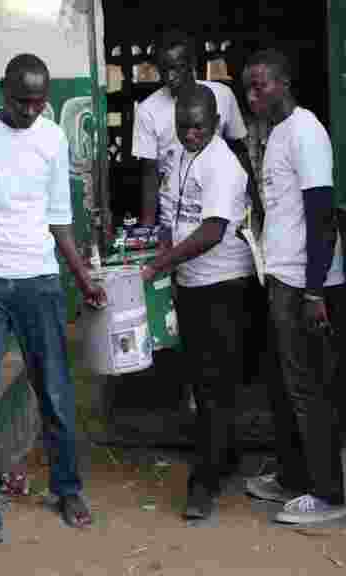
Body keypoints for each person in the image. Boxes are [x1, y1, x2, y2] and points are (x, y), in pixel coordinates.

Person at [0, 53, 107, 563]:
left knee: (54, 390)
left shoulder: (53, 138)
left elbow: (59, 219)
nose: (31, 110)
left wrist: (82, 277)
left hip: (40, 282)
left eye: (39, 101)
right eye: (21, 100)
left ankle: (67, 487)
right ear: (0, 89)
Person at [238, 49, 346, 525]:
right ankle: (293, 477)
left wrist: (315, 290)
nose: (252, 95)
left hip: (304, 281)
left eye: (260, 86)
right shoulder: (278, 132)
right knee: (285, 386)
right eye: (247, 88)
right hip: (281, 274)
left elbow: (322, 215)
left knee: (307, 389)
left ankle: (328, 495)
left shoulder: (306, 132)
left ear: (284, 83)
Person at [140, 83, 254, 520]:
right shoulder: (185, 157)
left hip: (222, 286)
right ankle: (222, 460)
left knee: (213, 386)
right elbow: (173, 211)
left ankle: (204, 485)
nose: (190, 134)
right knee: (205, 383)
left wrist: (160, 265)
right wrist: (162, 249)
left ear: (217, 124)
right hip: (191, 284)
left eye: (199, 128)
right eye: (183, 128)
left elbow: (211, 231)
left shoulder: (222, 164)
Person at [132, 28, 248, 418]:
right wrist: (154, 236)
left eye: (178, 67)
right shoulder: (154, 117)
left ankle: (216, 439)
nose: (170, 77)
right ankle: (197, 407)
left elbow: (236, 156)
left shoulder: (221, 115)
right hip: (182, 247)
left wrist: (252, 211)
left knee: (218, 355)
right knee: (191, 345)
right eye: (163, 69)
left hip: (216, 254)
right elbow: (153, 178)